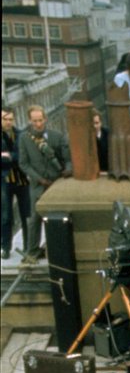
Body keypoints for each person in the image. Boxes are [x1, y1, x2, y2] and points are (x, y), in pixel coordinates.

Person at [18, 105, 72, 259]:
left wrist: (66, 170)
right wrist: (39, 179)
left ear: (45, 119)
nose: (38, 124)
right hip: (38, 185)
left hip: (57, 183)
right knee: (34, 219)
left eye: (40, 120)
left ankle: (58, 249)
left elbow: (67, 158)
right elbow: (24, 163)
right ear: (30, 121)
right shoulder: (24, 138)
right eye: (34, 121)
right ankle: (32, 251)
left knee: (59, 216)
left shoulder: (57, 136)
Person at [1, 107, 30, 259]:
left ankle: (28, 247)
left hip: (22, 180)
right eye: (5, 119)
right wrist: (13, 158)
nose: (8, 122)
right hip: (5, 180)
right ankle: (5, 248)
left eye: (10, 119)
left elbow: (22, 156)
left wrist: (8, 157)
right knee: (6, 216)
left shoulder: (20, 135)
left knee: (27, 215)